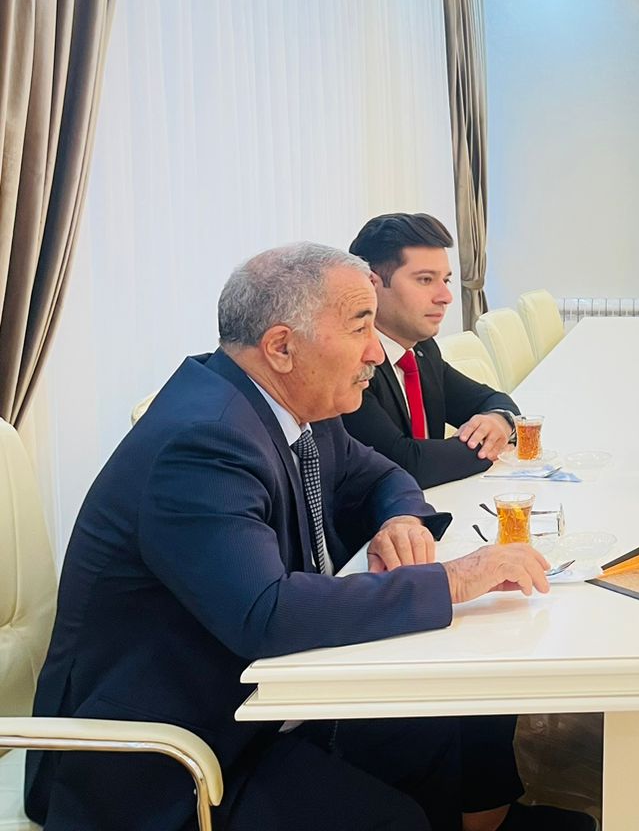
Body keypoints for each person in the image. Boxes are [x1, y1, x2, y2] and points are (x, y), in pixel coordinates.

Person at [26, 244, 594, 831]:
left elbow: (383, 476)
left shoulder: (292, 405)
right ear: (281, 347)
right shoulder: (204, 442)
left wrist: (401, 520)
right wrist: (452, 580)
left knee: (436, 718)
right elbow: (267, 613)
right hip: (165, 756)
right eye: (360, 327)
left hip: (256, 701)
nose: (376, 351)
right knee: (392, 819)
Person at [344, 212, 517, 488]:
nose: (445, 297)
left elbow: (492, 399)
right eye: (425, 280)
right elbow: (406, 464)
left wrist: (499, 421)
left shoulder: (423, 350)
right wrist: (492, 445)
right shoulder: (351, 362)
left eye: (445, 281)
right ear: (371, 285)